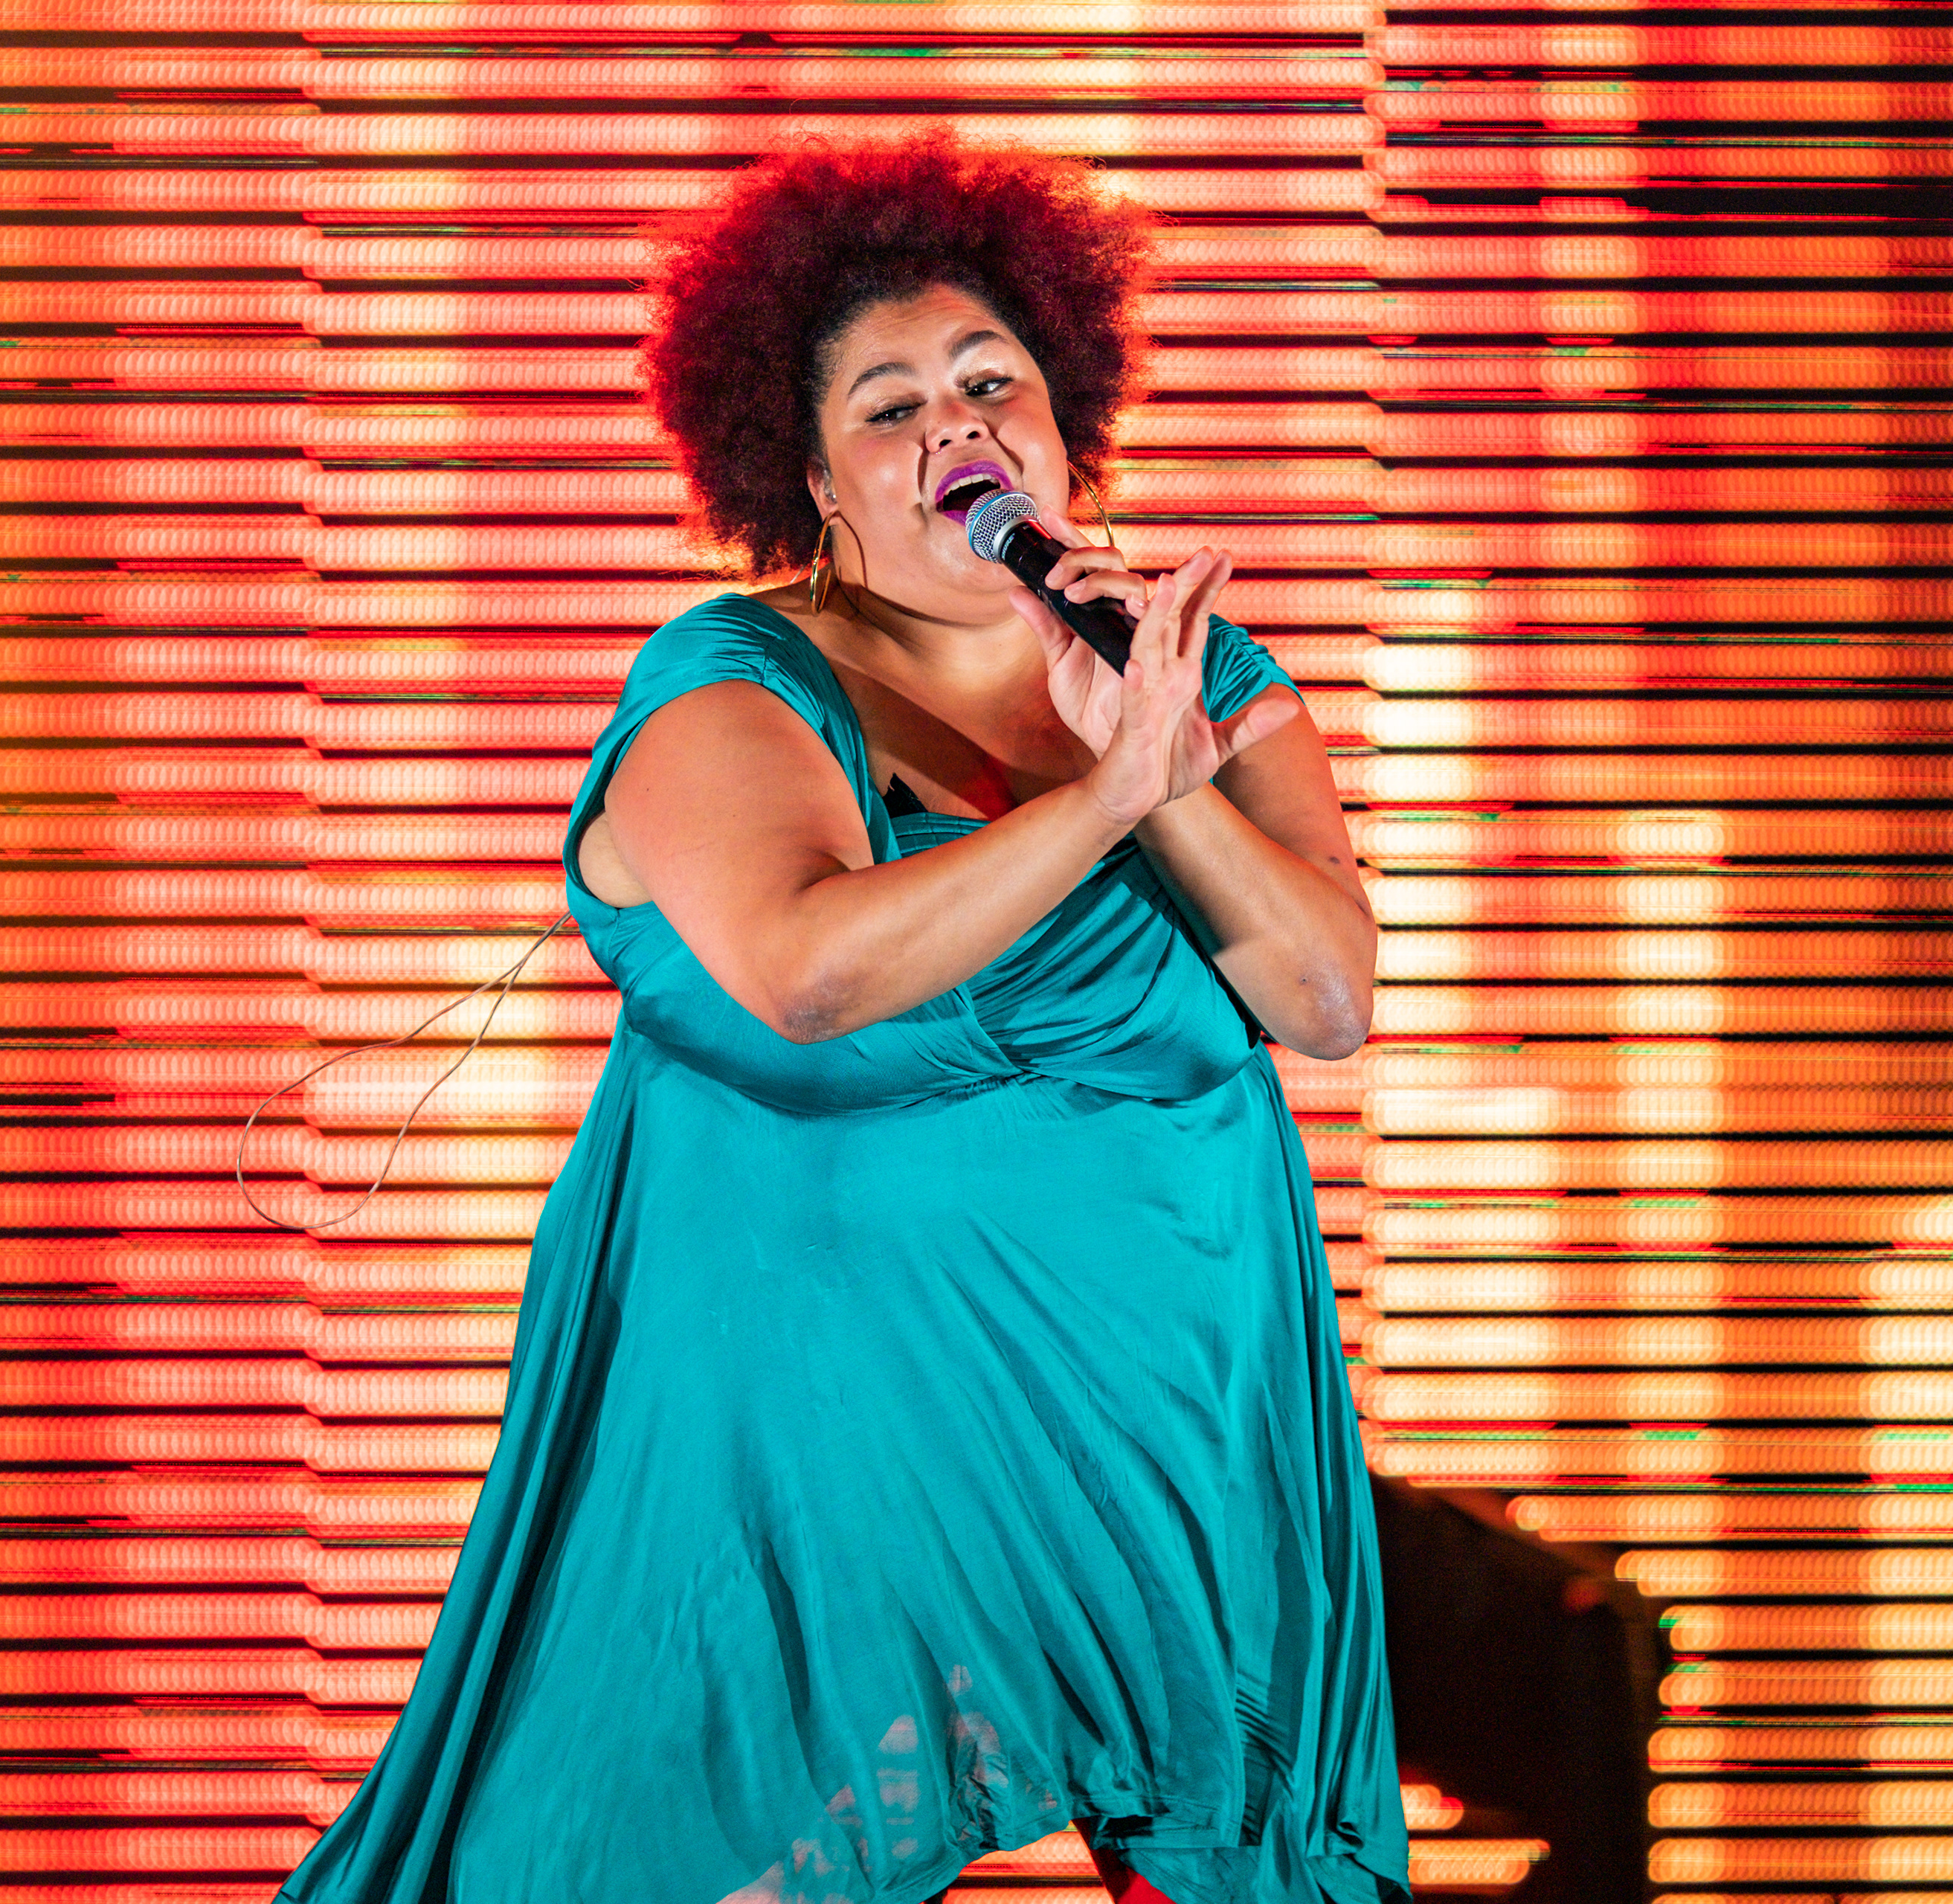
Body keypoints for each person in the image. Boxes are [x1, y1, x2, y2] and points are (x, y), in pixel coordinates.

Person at [272, 131, 1407, 1904]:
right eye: (892, 408)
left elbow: (1324, 997)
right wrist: (1107, 801)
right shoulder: (730, 691)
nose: (956, 426)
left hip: (1172, 1458)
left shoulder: (1198, 681)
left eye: (989, 382)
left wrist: (1154, 753)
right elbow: (808, 968)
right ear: (814, 482)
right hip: (821, 1488)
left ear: (1062, 423)